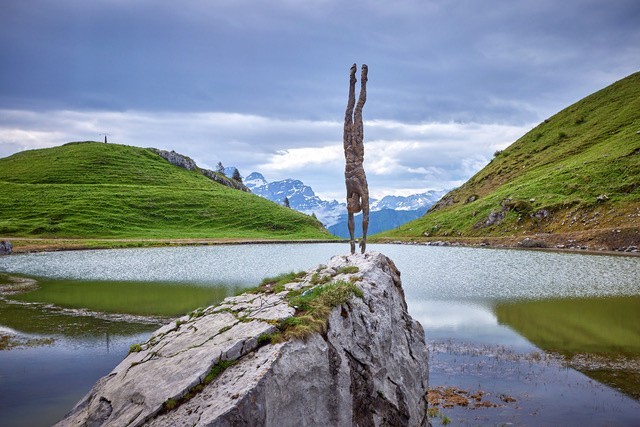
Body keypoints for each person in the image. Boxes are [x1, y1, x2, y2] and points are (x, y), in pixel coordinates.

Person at [343, 63, 370, 254]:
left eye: (348, 206)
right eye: (351, 206)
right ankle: (361, 81)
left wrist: (354, 240)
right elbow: (365, 216)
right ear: (356, 204)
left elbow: (350, 218)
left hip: (347, 150)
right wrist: (361, 239)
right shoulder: (361, 187)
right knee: (357, 111)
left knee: (348, 113)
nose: (348, 204)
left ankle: (352, 81)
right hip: (357, 149)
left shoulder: (348, 190)